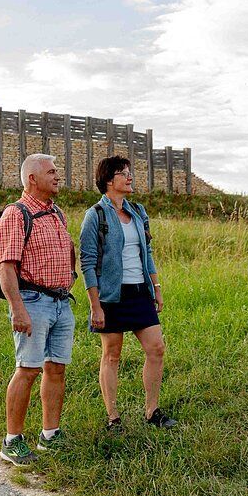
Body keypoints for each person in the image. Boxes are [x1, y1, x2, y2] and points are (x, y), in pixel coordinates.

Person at [80, 156, 176, 433]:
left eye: (129, 172)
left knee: (156, 349)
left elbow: (147, 252)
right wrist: (95, 305)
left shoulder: (138, 212)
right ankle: (113, 418)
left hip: (139, 292)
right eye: (123, 173)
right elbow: (87, 262)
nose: (130, 177)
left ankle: (152, 411)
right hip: (111, 296)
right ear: (109, 181)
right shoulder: (95, 215)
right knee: (112, 355)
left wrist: (156, 287)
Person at [0, 154, 76, 466]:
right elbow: (5, 266)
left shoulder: (56, 213)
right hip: (33, 302)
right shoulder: (16, 214)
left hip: (61, 302)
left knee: (56, 368)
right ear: (32, 178)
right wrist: (18, 309)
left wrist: (68, 280)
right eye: (51, 172)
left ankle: (49, 435)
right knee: (27, 369)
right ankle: (12, 440)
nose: (57, 176)